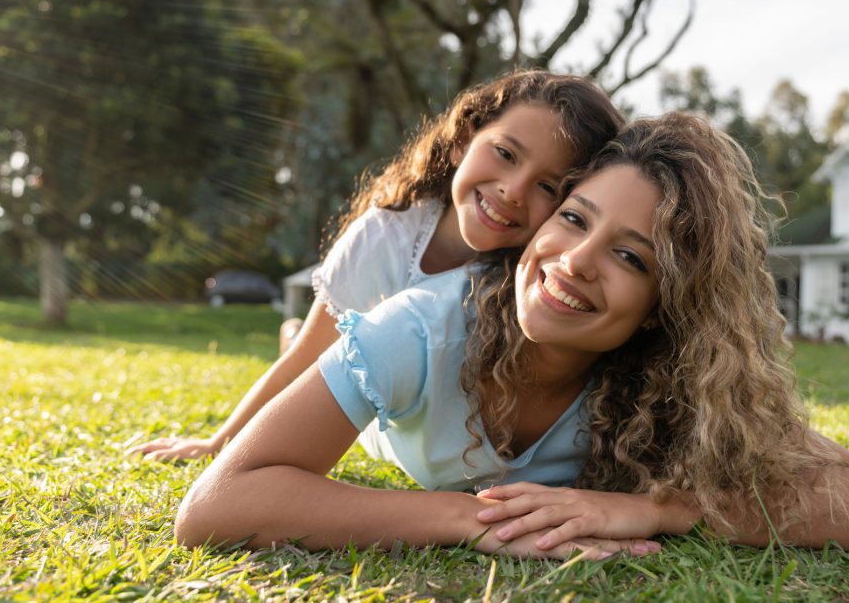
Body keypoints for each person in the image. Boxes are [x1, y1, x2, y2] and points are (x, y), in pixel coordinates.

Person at [174, 113, 849, 558]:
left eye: (632, 257)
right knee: (339, 360)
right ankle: (294, 345)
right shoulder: (423, 328)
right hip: (388, 413)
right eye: (573, 218)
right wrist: (466, 518)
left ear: (667, 303)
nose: (574, 262)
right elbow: (219, 503)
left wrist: (660, 507)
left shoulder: (670, 378)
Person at [130, 70, 624, 461]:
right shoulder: (386, 235)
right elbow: (304, 365)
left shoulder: (537, 276)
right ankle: (298, 328)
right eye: (504, 153)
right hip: (384, 407)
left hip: (442, 416)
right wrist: (218, 444)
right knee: (319, 351)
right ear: (461, 142)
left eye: (547, 187)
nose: (513, 191)